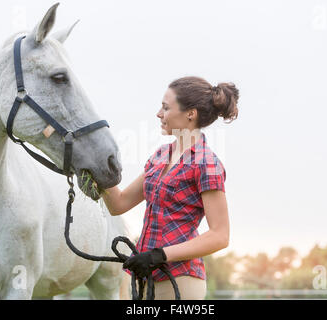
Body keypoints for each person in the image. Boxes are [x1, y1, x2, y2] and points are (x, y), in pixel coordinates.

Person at [101, 76, 239, 299]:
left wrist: (159, 255)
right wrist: (95, 170)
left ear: (190, 114)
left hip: (179, 280)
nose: (158, 114)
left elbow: (220, 235)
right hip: (143, 275)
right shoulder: (160, 156)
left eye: (166, 108)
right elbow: (119, 203)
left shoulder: (207, 163)